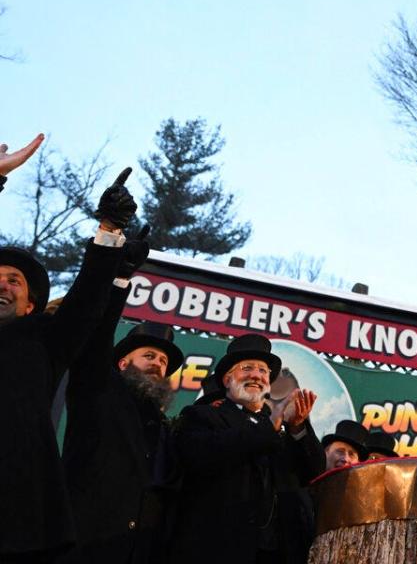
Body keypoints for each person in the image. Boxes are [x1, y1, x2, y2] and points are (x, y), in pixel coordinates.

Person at [1, 167, 137, 563]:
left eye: (15, 281)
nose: (3, 285)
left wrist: (110, 229)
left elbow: (86, 300)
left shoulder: (41, 340)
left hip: (15, 515)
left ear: (31, 305)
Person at [61, 226, 181, 564]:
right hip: (84, 543)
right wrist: (119, 279)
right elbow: (97, 332)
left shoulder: (160, 423)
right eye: (149, 356)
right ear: (123, 361)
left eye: (163, 361)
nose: (158, 364)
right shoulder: (100, 387)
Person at [169, 334, 324, 564]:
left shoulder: (280, 430)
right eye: (247, 368)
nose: (256, 375)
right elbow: (201, 456)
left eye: (263, 371)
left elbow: (313, 473)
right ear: (227, 380)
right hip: (220, 550)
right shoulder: (203, 416)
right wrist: (271, 426)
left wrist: (298, 427)